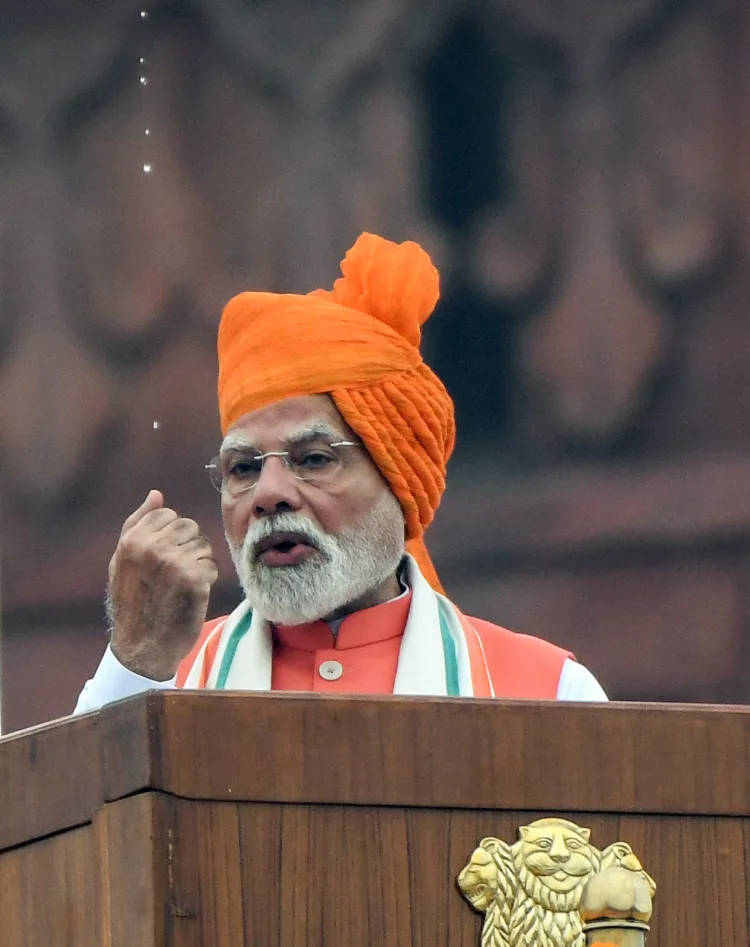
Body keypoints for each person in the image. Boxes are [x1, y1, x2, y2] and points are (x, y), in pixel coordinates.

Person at [75, 233, 606, 713]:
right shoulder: (163, 686)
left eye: (313, 459)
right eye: (244, 467)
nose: (269, 494)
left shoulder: (547, 693)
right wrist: (137, 662)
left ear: (400, 479)